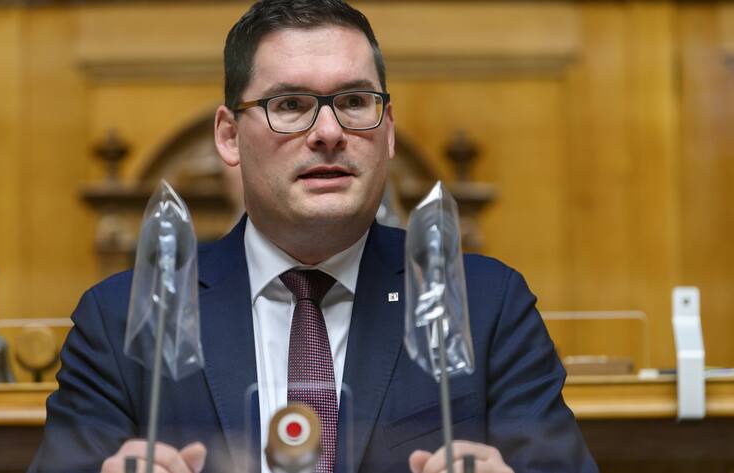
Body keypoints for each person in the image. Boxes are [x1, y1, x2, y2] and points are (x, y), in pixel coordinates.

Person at [29, 1, 598, 472]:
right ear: (229, 136)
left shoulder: (485, 305)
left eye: (354, 102)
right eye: (291, 105)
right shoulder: (122, 317)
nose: (329, 132)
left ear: (389, 131)